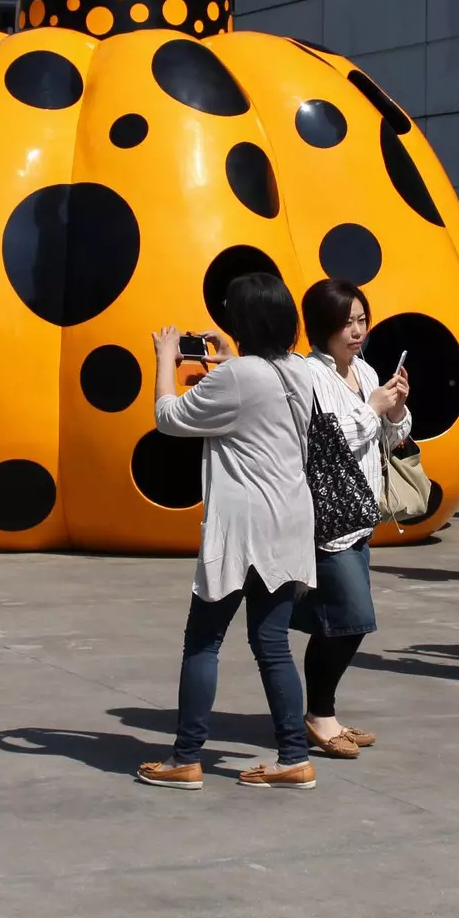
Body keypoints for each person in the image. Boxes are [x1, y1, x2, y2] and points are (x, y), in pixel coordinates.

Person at [138, 273, 320, 792]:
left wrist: (165, 357)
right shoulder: (298, 372)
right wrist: (229, 359)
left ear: (242, 321)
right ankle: (292, 757)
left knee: (203, 641)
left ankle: (185, 757)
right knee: (272, 642)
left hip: (242, 528)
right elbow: (251, 397)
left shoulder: (238, 377)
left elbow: (168, 418)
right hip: (289, 521)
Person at [292, 279, 410, 759]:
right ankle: (318, 716)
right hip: (327, 517)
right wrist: (373, 408)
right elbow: (325, 440)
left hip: (360, 512)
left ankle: (324, 713)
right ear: (323, 326)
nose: (357, 331)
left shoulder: (364, 369)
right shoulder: (307, 375)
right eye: (347, 323)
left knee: (337, 624)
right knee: (353, 620)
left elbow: (389, 435)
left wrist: (396, 409)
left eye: (362, 320)